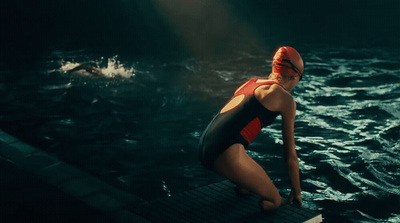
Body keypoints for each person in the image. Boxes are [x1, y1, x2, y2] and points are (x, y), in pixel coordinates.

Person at [198, 46, 303, 211]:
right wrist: (296, 192)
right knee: (274, 200)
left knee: (246, 184)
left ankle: (243, 184)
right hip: (224, 153)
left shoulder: (251, 83)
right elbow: (290, 155)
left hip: (204, 146)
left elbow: (232, 124)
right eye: (300, 78)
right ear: (293, 76)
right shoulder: (286, 99)